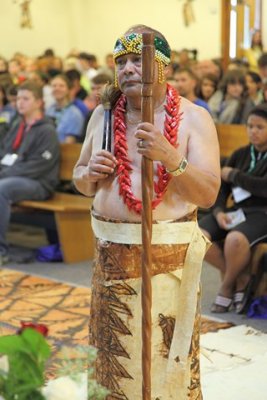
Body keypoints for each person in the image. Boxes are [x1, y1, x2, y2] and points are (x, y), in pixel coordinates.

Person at [73, 24, 220, 399]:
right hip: (110, 256)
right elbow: (80, 179)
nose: (127, 69)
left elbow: (207, 194)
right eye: (121, 62)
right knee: (113, 353)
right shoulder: (103, 115)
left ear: (163, 66)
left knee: (164, 354)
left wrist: (172, 158)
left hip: (167, 261)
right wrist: (89, 174)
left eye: (138, 60)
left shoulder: (194, 119)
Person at [199, 104, 267, 314]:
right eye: (249, 126)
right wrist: (219, 212)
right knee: (197, 236)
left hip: (262, 213)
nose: (253, 131)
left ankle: (227, 286)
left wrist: (234, 175)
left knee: (234, 239)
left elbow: (264, 188)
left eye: (260, 127)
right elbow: (221, 187)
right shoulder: (240, 154)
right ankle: (241, 277)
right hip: (236, 211)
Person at [0, 81, 60, 265]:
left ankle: (1, 251)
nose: (20, 102)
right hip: (15, 176)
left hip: (39, 183)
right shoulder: (18, 124)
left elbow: (39, 165)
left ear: (39, 102)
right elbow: (4, 152)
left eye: (25, 98)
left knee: (1, 189)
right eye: (18, 98)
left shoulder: (47, 130)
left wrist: (6, 173)